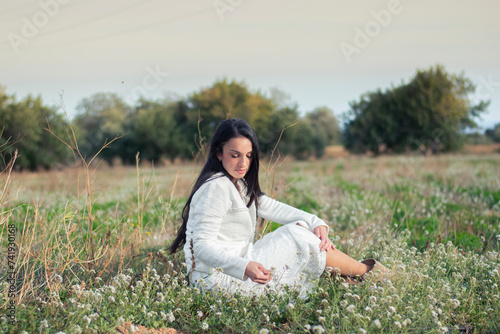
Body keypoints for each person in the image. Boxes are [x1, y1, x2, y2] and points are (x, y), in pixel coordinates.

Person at [168, 119, 385, 298]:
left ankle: (355, 276)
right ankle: (367, 273)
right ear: (218, 153)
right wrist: (243, 266)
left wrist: (316, 222)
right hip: (218, 281)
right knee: (297, 236)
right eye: (235, 155)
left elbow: (272, 207)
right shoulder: (215, 187)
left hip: (239, 266)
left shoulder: (236, 182)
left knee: (301, 228)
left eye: (249, 155)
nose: (243, 163)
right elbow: (202, 247)